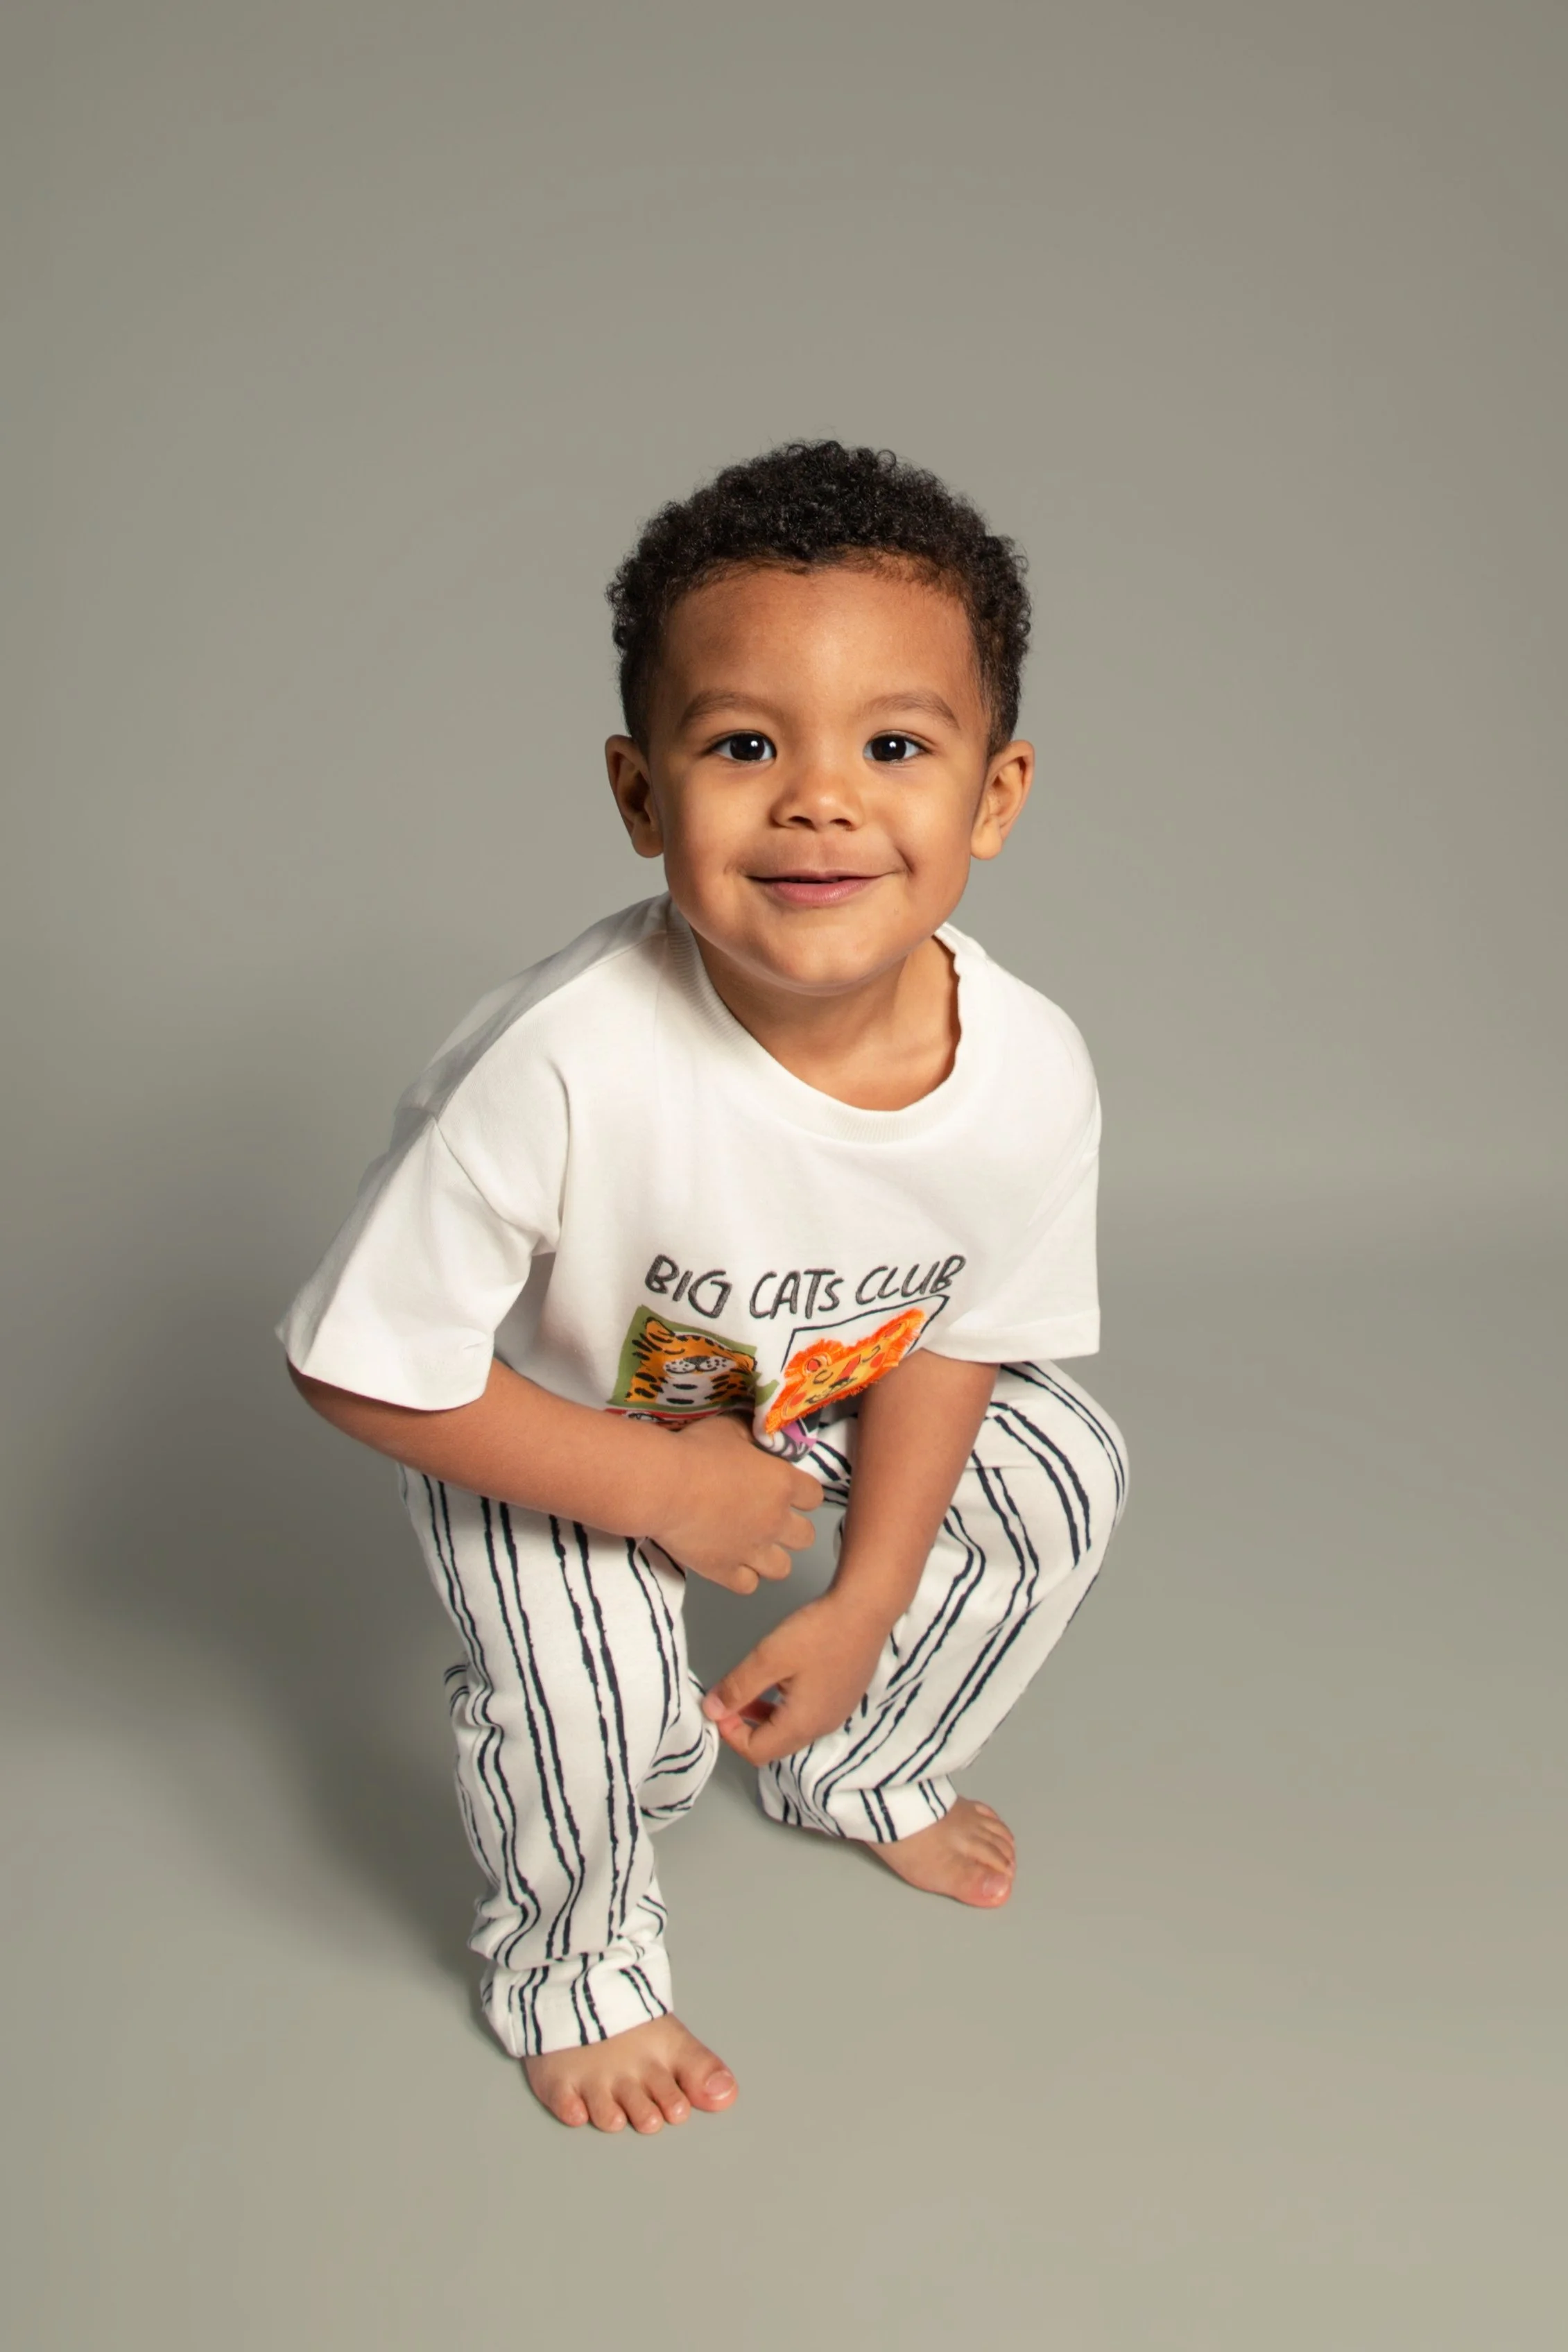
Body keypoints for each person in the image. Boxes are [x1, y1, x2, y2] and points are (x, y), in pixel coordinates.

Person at [280, 440, 1129, 2134]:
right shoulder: (560, 1062)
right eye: (744, 745)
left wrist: (861, 1593)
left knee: (1063, 1480)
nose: (819, 798)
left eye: (894, 747)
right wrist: (662, 1488)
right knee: (587, 1694)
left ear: (994, 796)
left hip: (804, 1397)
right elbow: (363, 1364)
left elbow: (961, 1328)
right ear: (638, 792)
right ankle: (575, 1957)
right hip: (547, 1429)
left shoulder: (1025, 1066)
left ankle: (854, 1755)